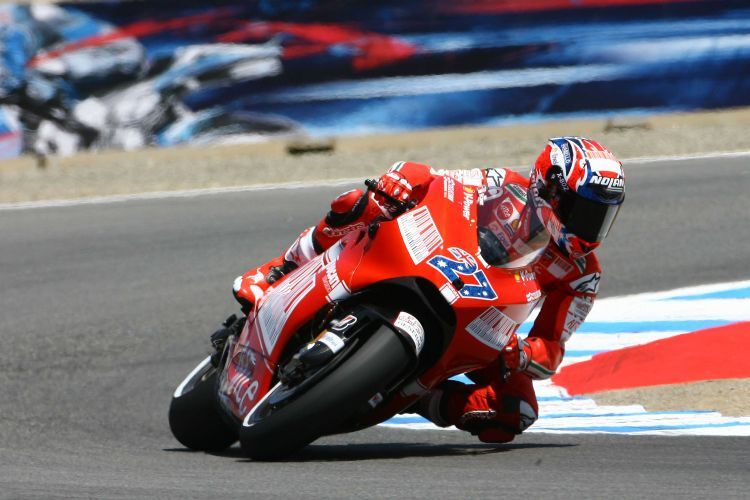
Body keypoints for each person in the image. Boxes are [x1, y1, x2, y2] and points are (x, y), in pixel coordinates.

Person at [229, 136, 626, 443]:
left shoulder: (580, 274)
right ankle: (280, 269)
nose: (592, 228)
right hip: (438, 261)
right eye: (586, 212)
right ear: (551, 192)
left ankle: (420, 395)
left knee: (514, 413)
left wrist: (520, 352)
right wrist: (403, 182)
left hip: (487, 324)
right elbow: (439, 181)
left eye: (603, 216)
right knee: (361, 202)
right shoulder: (503, 184)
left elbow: (551, 350)